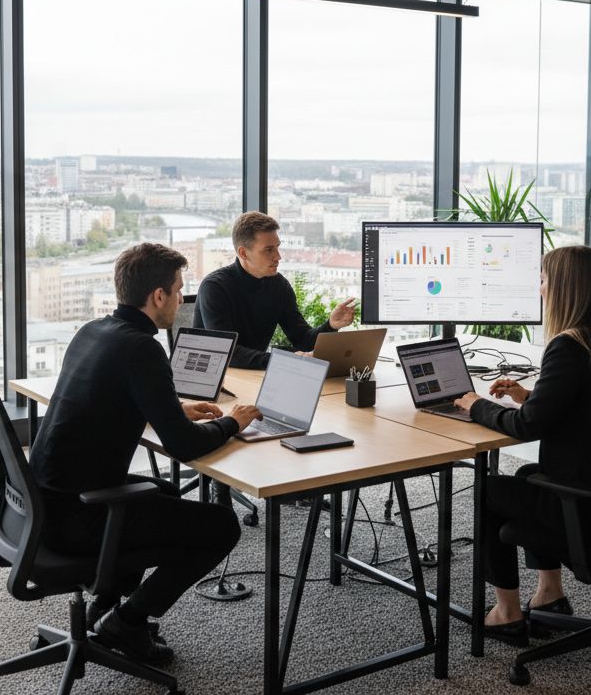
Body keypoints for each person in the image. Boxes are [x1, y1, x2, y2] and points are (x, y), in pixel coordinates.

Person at [29, 242, 262, 664]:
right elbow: (184, 446)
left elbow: (113, 396)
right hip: (78, 516)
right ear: (158, 296)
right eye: (177, 290)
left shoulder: (95, 331)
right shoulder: (142, 347)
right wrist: (233, 422)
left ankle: (105, 607)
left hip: (43, 502)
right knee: (222, 526)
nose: (180, 299)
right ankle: (128, 620)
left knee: (165, 495)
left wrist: (172, 407)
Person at [453, 245, 591, 647]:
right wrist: (532, 394)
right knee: (530, 475)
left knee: (488, 491)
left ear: (562, 288)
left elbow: (527, 428)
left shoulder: (570, 346)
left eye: (544, 279)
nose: (540, 288)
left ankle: (506, 614)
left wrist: (477, 405)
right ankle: (551, 595)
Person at [195, 211, 357, 369]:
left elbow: (302, 340)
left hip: (252, 375)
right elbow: (228, 352)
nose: (278, 256)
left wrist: (331, 325)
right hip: (213, 376)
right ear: (243, 253)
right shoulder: (215, 287)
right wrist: (285, 360)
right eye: (269, 250)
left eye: (277, 247)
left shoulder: (278, 285)